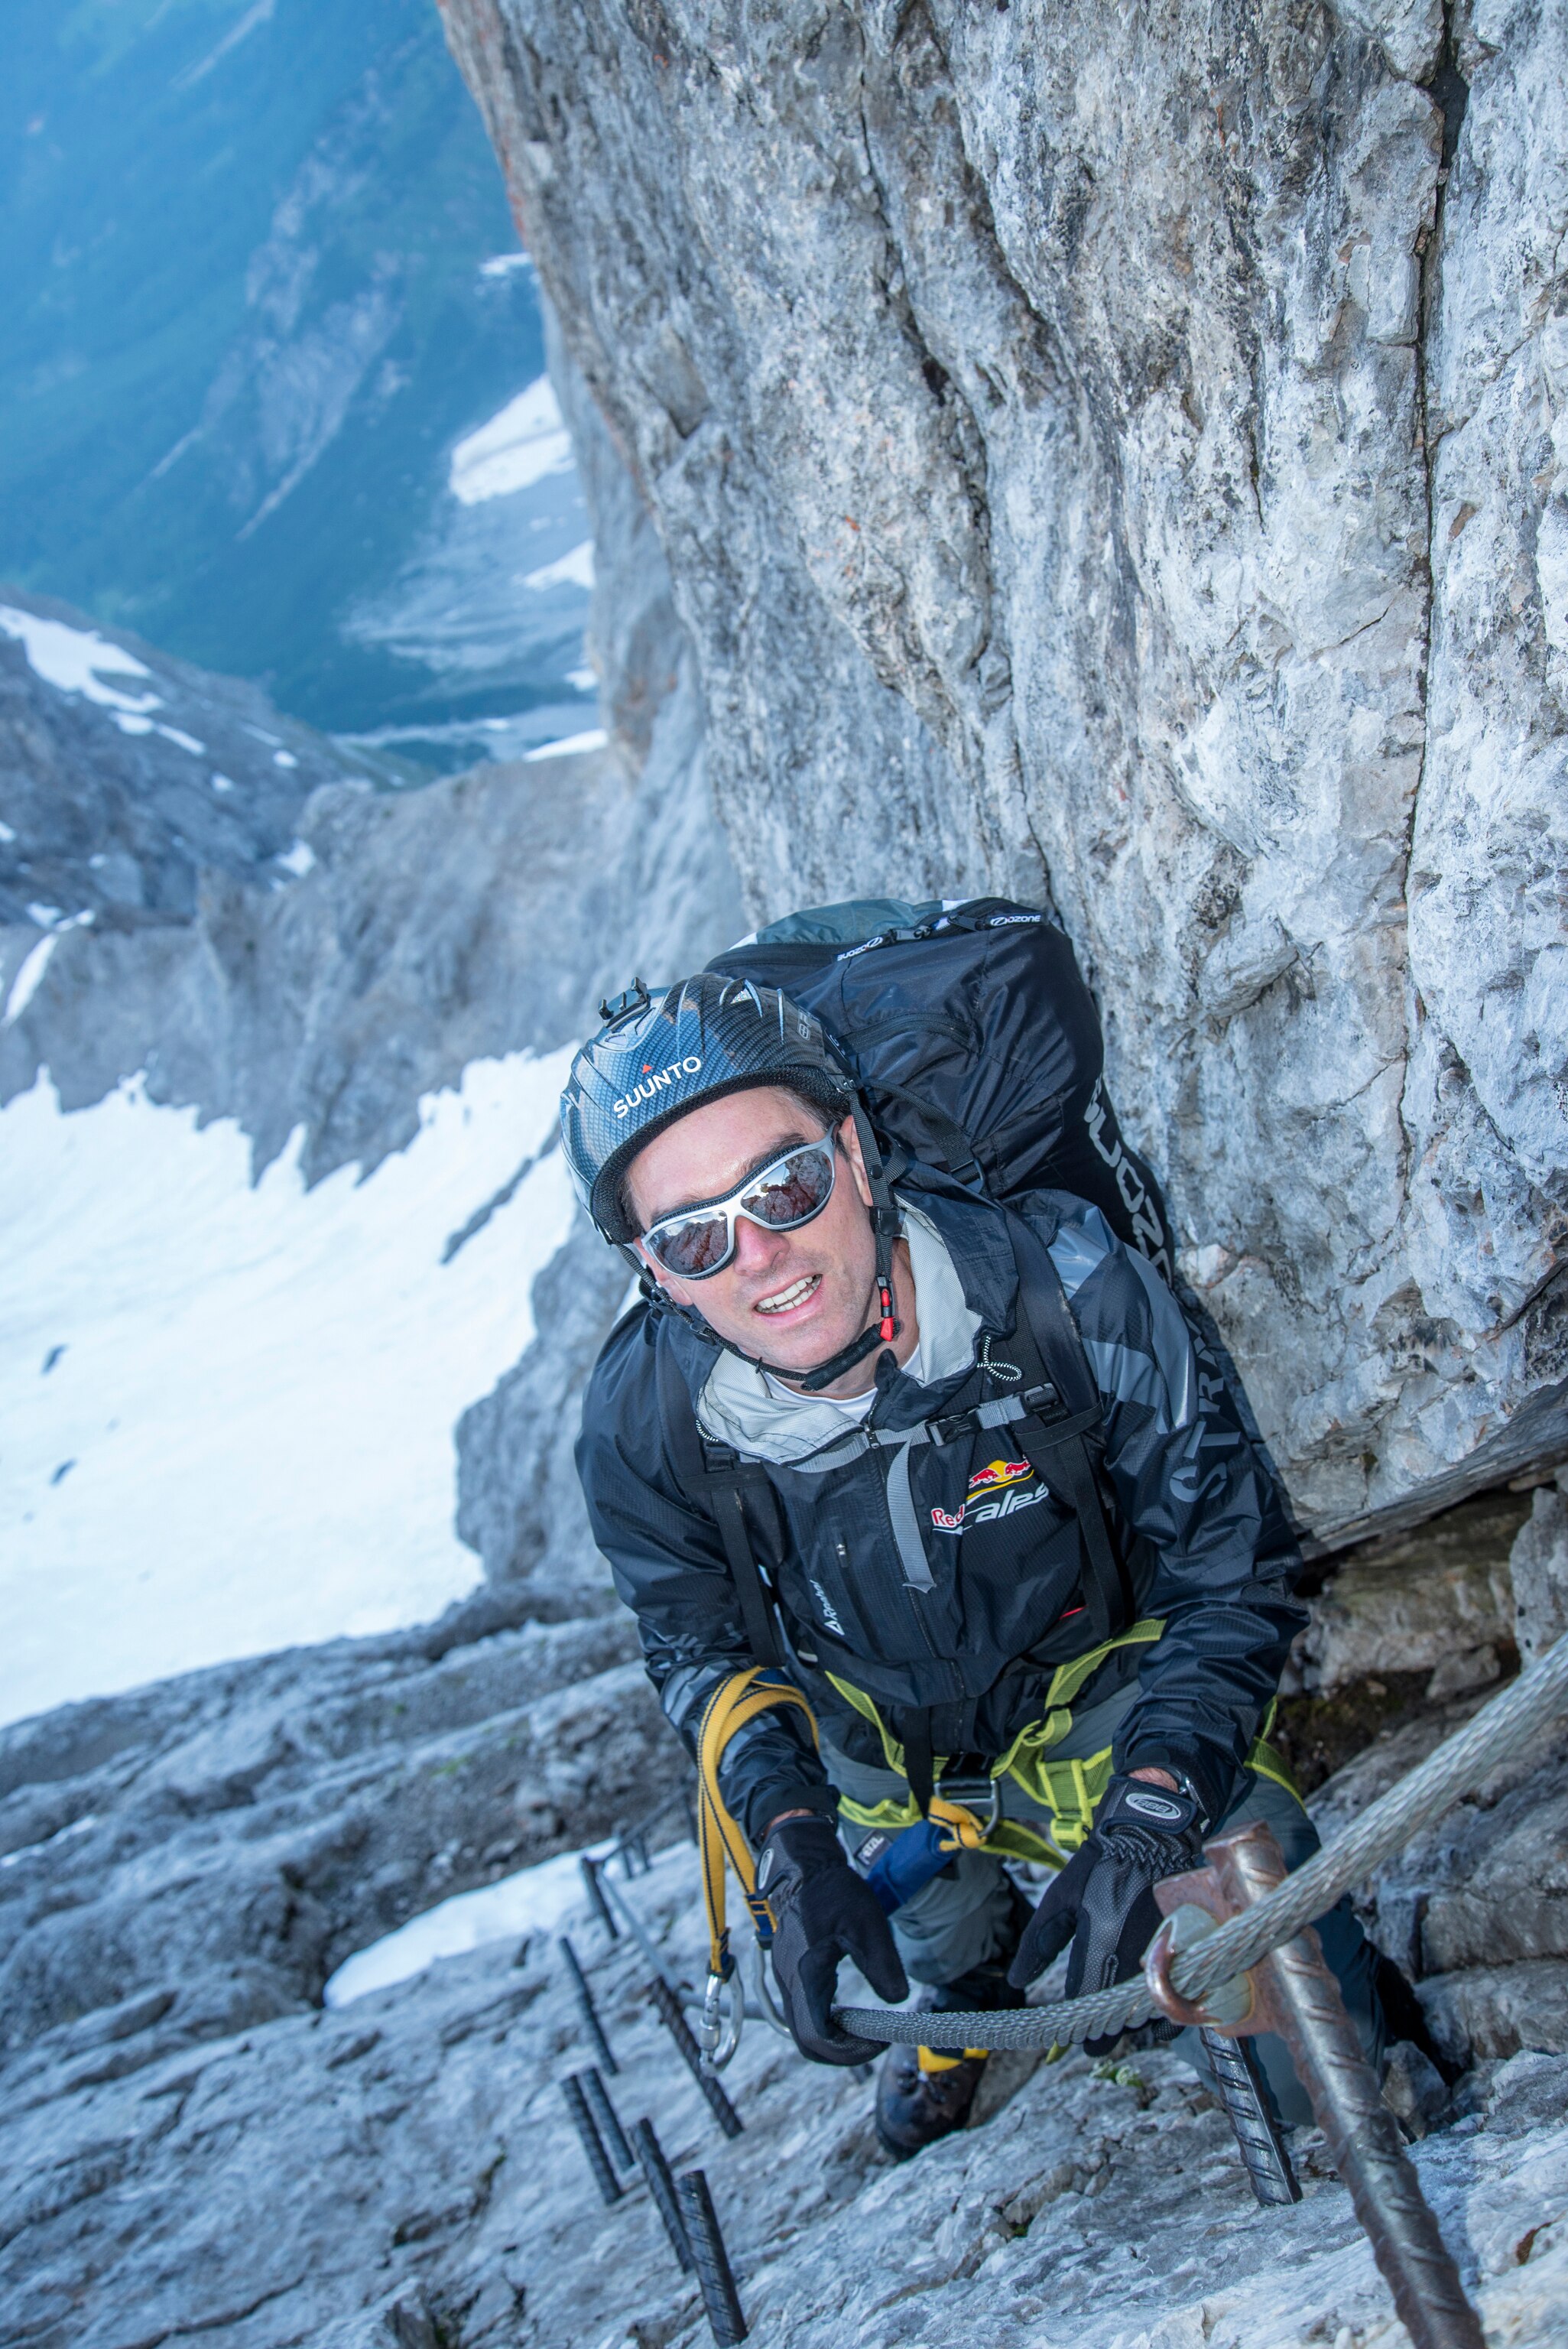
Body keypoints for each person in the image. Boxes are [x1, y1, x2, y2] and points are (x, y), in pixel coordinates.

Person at [563, 971, 1385, 2158]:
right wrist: (793, 1847)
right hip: (875, 1749)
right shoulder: (647, 1425)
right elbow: (699, 1648)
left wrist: (1156, 1807)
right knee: (936, 1926)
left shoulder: (1062, 1290)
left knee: (1314, 2063)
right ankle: (965, 1993)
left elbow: (1228, 1573)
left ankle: (1329, 2061)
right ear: (654, 1270)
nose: (760, 1256)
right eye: (695, 1235)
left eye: (785, 1185)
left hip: (1091, 1703)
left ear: (851, 1150)